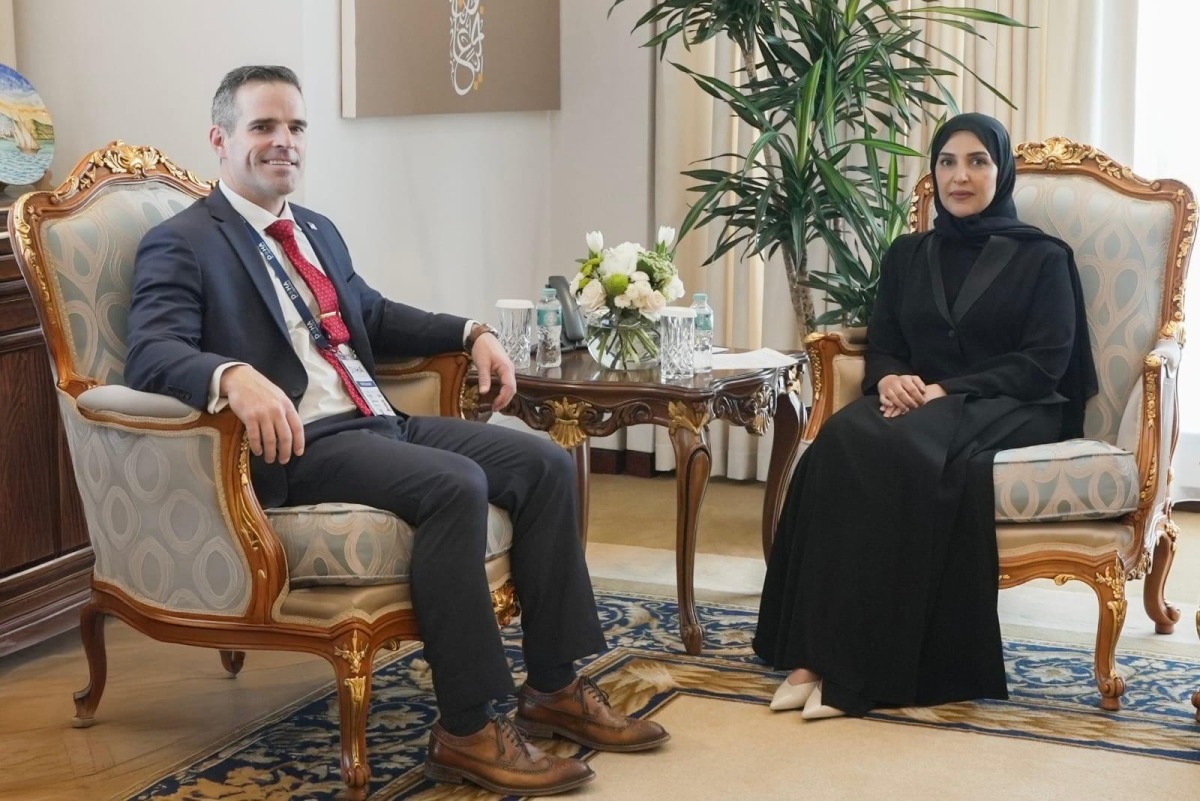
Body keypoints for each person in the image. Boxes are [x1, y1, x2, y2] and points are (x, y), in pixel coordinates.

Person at [125, 65, 668, 796]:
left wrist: (470, 330)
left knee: (542, 462)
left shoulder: (313, 228)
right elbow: (151, 352)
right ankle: (468, 727)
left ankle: (554, 685)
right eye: (263, 127)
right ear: (219, 140)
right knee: (456, 485)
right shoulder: (183, 242)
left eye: (295, 127)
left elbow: (372, 316)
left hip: (378, 421)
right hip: (303, 447)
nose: (284, 142)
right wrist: (231, 376)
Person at [753, 113, 1097, 719]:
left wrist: (941, 390)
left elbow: (1045, 363)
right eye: (947, 162)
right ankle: (810, 654)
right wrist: (891, 378)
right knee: (837, 443)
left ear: (1002, 171)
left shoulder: (1044, 258)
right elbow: (884, 345)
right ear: (933, 172)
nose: (960, 176)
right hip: (918, 402)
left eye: (977, 162)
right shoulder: (909, 253)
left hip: (1015, 404)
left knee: (907, 454)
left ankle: (857, 673)